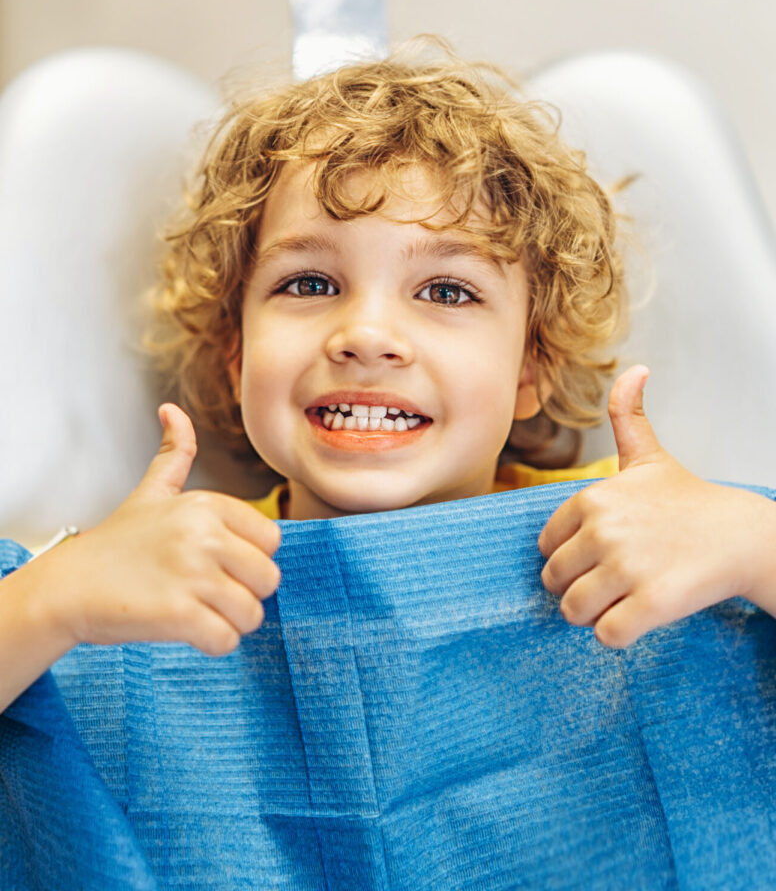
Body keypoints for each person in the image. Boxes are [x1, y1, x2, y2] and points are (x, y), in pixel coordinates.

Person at [2, 45, 775, 718]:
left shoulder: (633, 529)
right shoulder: (151, 570)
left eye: (446, 292)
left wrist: (751, 544)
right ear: (237, 356)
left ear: (529, 371)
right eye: (308, 284)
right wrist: (51, 600)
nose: (367, 336)